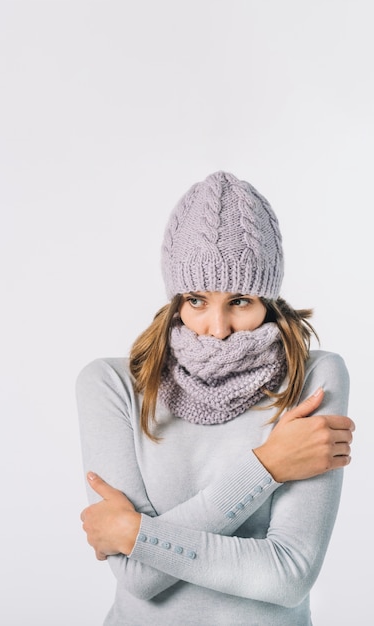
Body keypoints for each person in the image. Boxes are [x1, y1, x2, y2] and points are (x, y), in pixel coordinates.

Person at [76, 171, 355, 625]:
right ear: (175, 300)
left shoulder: (313, 377)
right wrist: (267, 467)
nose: (218, 328)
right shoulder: (110, 386)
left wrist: (137, 533)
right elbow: (139, 579)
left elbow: (288, 576)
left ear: (268, 299)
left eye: (240, 300)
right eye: (197, 300)